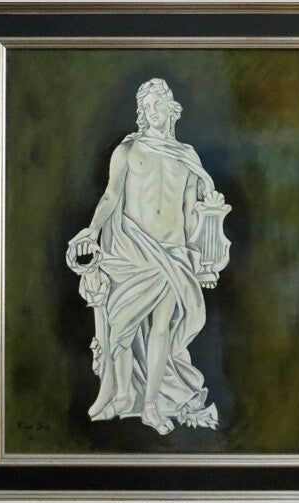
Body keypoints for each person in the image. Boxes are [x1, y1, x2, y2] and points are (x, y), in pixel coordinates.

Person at [68, 78, 225, 434]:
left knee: (161, 329)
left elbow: (189, 210)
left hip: (171, 252)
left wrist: (200, 257)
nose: (153, 112)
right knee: (120, 327)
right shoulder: (128, 150)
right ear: (141, 113)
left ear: (171, 108)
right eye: (147, 107)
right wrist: (92, 230)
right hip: (130, 248)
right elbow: (111, 196)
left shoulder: (187, 156)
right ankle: (124, 394)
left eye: (158, 104)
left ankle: (152, 405)